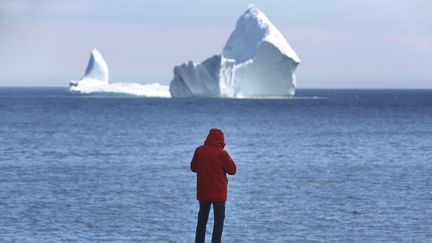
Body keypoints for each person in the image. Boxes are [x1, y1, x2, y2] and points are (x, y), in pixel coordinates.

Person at [191, 128, 237, 243]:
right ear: (221, 141)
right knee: (218, 221)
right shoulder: (222, 154)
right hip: (218, 193)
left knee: (202, 219)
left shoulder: (199, 150)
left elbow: (193, 168)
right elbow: (233, 170)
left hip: (203, 191)